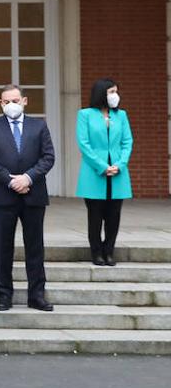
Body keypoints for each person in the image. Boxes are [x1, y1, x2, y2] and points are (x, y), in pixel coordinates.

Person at [0, 84, 55, 312]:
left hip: (34, 194)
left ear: (24, 101)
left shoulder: (39, 126)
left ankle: (37, 295)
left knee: (35, 247)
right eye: (5, 102)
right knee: (2, 248)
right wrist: (11, 180)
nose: (10, 105)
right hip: (3, 195)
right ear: (1, 104)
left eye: (15, 100)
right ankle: (4, 294)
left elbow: (48, 157)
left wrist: (28, 178)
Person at [76, 78, 133, 267]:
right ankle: (96, 252)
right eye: (111, 92)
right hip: (94, 172)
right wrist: (102, 166)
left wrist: (120, 164)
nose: (115, 95)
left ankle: (109, 251)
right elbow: (84, 144)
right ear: (102, 93)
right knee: (95, 215)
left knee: (114, 215)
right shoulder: (85, 115)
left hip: (118, 172)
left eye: (116, 91)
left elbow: (127, 142)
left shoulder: (121, 115)